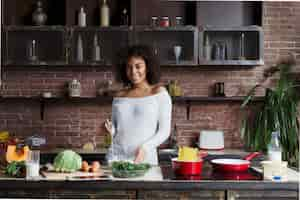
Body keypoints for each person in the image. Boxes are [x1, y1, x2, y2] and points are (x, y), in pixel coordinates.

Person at [104, 45, 172, 165]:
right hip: (116, 160)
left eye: (138, 66)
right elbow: (116, 129)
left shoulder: (159, 93)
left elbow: (164, 131)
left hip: (144, 160)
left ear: (147, 67)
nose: (133, 71)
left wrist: (145, 148)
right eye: (129, 67)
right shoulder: (119, 96)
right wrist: (109, 130)